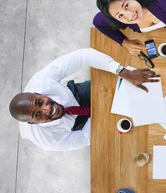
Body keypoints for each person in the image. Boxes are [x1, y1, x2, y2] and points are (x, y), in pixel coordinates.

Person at [9, 48, 158, 151]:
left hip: (75, 95)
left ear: (37, 93)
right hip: (77, 123)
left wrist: (124, 72)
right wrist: (102, 114)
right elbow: (86, 137)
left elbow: (83, 56)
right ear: (32, 123)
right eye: (37, 115)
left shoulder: (42, 80)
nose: (47, 109)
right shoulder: (49, 141)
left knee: (124, 86)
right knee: (129, 127)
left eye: (40, 102)